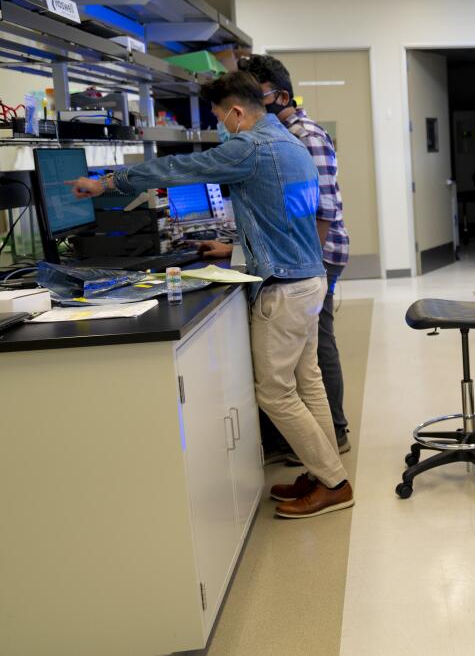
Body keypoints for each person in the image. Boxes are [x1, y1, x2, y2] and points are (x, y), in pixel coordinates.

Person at [68, 71, 355, 520]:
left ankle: (334, 484)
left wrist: (107, 183)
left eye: (221, 118)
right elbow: (285, 215)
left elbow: (178, 168)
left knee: (276, 393)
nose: (222, 127)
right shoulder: (290, 142)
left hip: (284, 288)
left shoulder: (250, 146)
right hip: (308, 277)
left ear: (237, 112)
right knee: (307, 381)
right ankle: (324, 472)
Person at [232, 53, 352, 457]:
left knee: (318, 347)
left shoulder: (305, 137)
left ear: (280, 96)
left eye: (256, 98)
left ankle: (332, 433)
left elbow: (323, 212)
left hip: (318, 254)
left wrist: (304, 268)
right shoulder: (272, 137)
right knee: (307, 352)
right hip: (299, 256)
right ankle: (313, 438)